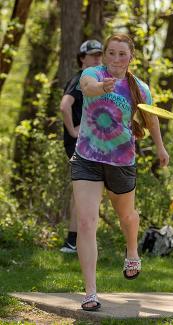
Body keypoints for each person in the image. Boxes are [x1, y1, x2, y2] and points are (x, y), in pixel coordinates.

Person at [71, 33, 169, 311]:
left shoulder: (139, 88)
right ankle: (90, 292)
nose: (115, 59)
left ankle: (132, 250)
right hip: (87, 157)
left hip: (122, 160)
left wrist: (161, 148)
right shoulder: (91, 73)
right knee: (87, 222)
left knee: (127, 215)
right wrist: (102, 88)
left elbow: (151, 119)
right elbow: (88, 88)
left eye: (122, 54)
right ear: (104, 55)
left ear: (131, 57)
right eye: (111, 53)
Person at [59, 40, 103, 253]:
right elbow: (65, 106)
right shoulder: (80, 80)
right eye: (93, 55)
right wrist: (73, 131)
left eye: (99, 55)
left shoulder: (92, 80)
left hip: (89, 143)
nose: (97, 58)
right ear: (82, 58)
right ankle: (74, 241)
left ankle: (74, 241)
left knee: (83, 193)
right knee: (84, 193)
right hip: (79, 144)